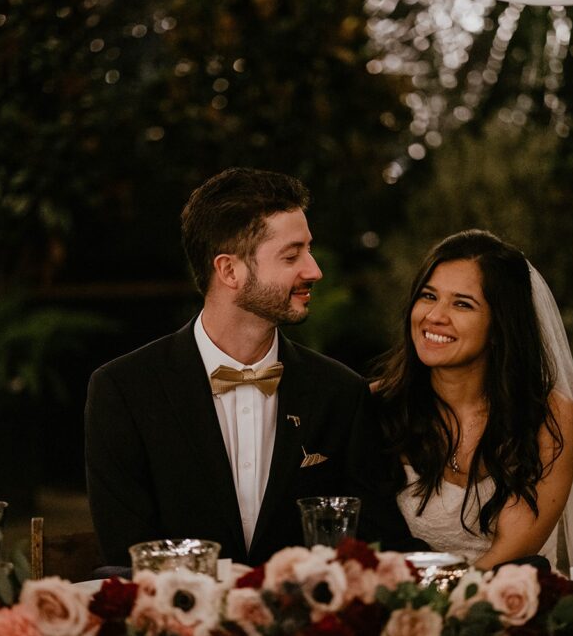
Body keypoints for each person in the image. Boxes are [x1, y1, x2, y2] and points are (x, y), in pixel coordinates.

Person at [85, 167, 421, 568]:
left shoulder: (340, 393)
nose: (314, 270)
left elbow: (378, 542)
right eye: (292, 255)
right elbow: (127, 558)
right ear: (229, 270)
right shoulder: (124, 390)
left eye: (308, 250)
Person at [373, 229, 573, 571]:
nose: (435, 315)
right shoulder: (379, 406)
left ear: (499, 325)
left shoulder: (549, 417)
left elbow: (514, 549)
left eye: (462, 303)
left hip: (514, 603)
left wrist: (440, 604)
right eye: (428, 296)